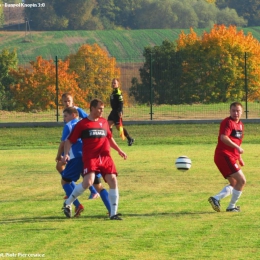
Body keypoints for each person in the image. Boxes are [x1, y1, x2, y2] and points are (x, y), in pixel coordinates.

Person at [62, 98, 127, 220]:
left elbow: (109, 138)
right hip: (91, 157)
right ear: (92, 108)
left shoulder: (104, 122)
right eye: (99, 109)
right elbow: (69, 140)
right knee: (88, 182)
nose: (101, 111)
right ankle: (68, 203)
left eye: (102, 109)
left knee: (113, 180)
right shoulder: (82, 124)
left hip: (105, 157)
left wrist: (119, 150)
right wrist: (66, 154)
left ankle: (113, 213)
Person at [56, 107, 111, 217]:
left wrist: (59, 156)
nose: (64, 119)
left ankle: (75, 205)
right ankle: (111, 210)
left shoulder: (69, 126)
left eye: (66, 116)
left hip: (77, 157)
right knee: (98, 186)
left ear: (74, 115)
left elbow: (64, 143)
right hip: (90, 158)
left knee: (65, 182)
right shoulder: (85, 123)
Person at [56, 92, 99, 200]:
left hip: (76, 145)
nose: (66, 103)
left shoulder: (77, 111)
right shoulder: (66, 113)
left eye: (68, 101)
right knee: (60, 166)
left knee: (78, 167)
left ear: (72, 101)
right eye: (64, 101)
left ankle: (91, 191)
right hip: (69, 144)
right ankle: (70, 189)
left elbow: (88, 120)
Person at [208, 102, 246, 212]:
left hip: (231, 156)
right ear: (230, 111)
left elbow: (237, 142)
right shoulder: (228, 122)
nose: (235, 113)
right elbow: (223, 137)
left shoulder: (241, 125)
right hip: (224, 155)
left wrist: (239, 157)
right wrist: (237, 148)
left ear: (241, 112)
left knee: (235, 183)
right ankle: (231, 207)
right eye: (233, 110)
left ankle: (216, 198)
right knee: (242, 181)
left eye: (238, 110)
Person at [108, 78, 134, 146]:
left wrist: (120, 111)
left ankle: (130, 138)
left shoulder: (118, 92)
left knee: (119, 128)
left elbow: (121, 102)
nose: (113, 84)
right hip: (113, 111)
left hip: (117, 112)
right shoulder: (113, 92)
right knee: (108, 125)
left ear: (118, 84)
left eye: (115, 83)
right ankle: (109, 140)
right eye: (112, 83)